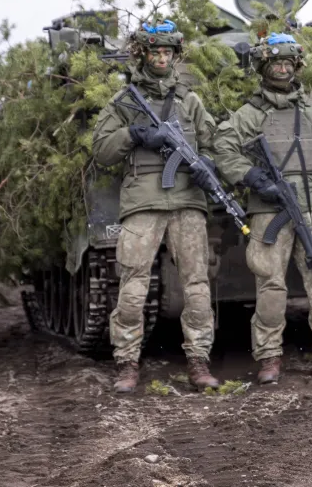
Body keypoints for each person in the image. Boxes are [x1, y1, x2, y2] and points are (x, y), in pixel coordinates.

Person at [212, 33, 312, 384]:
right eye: (275, 63)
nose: (282, 69)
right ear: (264, 68)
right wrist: (254, 178)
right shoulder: (249, 114)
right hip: (269, 209)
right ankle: (269, 356)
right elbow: (224, 149)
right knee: (270, 285)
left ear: (296, 67)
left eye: (287, 63)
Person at [91, 20, 221, 393]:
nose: (162, 58)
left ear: (175, 56)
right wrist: (134, 133)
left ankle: (198, 361)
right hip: (143, 203)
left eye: (168, 52)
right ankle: (127, 364)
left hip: (187, 202)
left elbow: (213, 142)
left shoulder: (189, 100)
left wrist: (207, 163)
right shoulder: (124, 102)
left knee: (196, 286)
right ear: (143, 55)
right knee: (132, 288)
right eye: (155, 52)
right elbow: (101, 151)